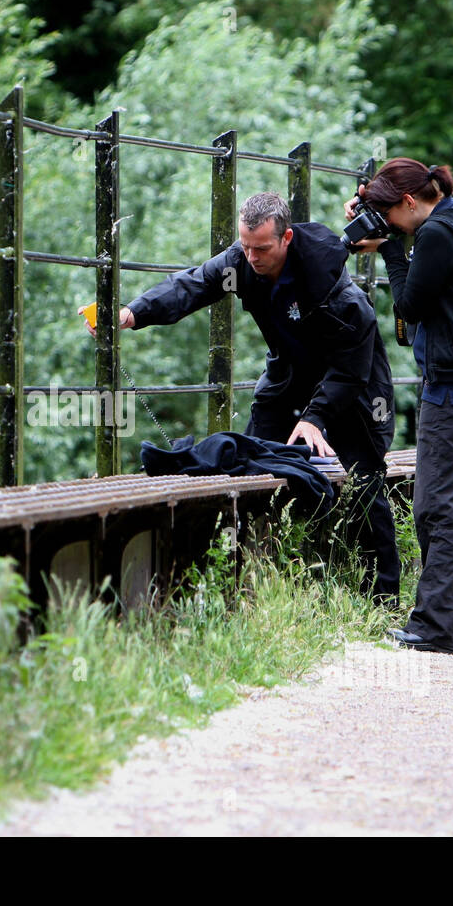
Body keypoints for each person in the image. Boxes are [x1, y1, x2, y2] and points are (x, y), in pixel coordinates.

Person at [80, 191, 400, 605]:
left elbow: (351, 366)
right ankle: (254, 587)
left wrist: (317, 417)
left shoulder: (334, 289)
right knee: (250, 464)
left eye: (262, 248)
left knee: (364, 478)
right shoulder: (241, 260)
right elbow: (192, 285)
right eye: (245, 246)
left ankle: (384, 600)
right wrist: (133, 313)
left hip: (351, 382)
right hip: (288, 375)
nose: (252, 257)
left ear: (286, 237)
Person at [345, 159, 453, 655]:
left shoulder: (434, 235)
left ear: (410, 202)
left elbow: (410, 305)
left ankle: (435, 629)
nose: (387, 223)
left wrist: (392, 249)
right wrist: (382, 219)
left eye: (388, 213)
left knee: (438, 508)